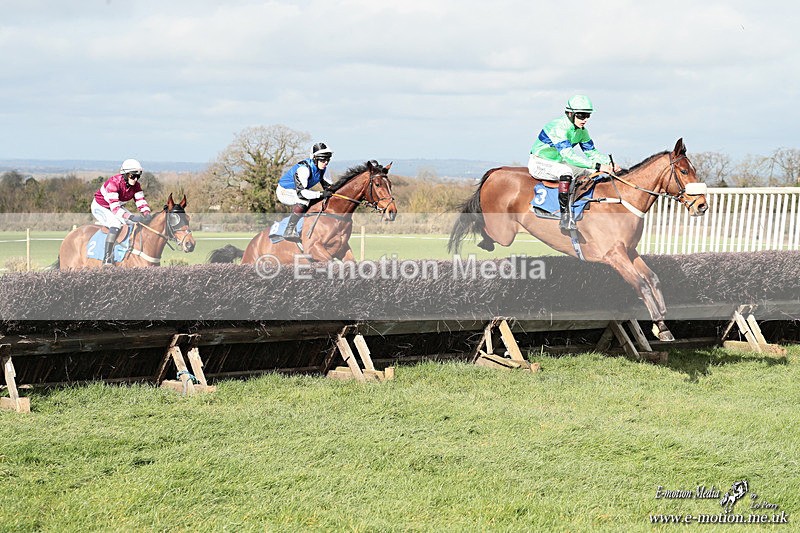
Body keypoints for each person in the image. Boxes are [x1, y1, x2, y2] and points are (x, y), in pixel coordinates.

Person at [528, 95, 621, 230]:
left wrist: (609, 163)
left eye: (588, 115)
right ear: (570, 114)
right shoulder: (558, 127)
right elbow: (569, 156)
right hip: (539, 162)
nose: (585, 119)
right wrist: (598, 165)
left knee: (594, 173)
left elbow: (592, 153)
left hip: (558, 163)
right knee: (566, 172)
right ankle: (565, 217)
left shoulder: (582, 131)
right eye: (581, 115)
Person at [91, 158, 152, 265]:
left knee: (133, 223)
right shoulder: (113, 183)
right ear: (125, 174)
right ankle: (107, 258)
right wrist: (131, 217)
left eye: (138, 176)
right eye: (133, 175)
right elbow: (115, 209)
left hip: (116, 206)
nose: (135, 179)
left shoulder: (136, 186)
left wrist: (146, 213)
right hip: (101, 206)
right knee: (116, 224)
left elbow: (140, 201)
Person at [276, 142, 335, 242]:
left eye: (327, 159)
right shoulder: (304, 169)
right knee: (304, 201)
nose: (325, 162)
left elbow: (330, 188)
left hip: (298, 191)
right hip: (284, 191)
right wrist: (320, 194)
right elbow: (302, 193)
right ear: (314, 159)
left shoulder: (324, 169)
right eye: (322, 159)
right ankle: (289, 230)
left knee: (320, 200)